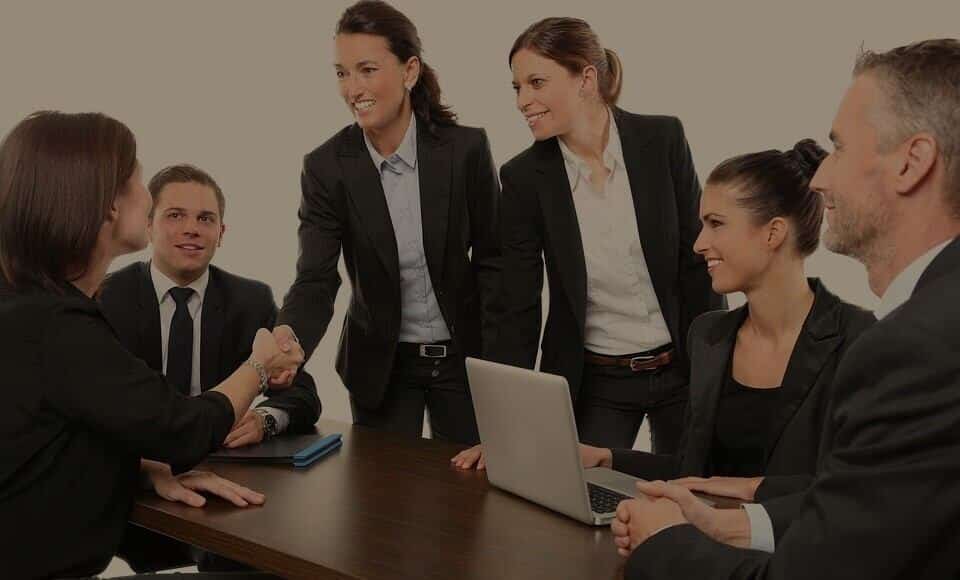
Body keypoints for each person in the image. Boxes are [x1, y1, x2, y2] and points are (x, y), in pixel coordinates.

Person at [612, 38, 960, 580]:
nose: (820, 178)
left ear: (912, 162)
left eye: (840, 148)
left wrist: (665, 541)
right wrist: (730, 523)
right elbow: (877, 501)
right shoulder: (711, 335)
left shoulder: (905, 347)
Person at [0, 111, 303, 579]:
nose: (149, 198)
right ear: (107, 205)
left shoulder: (29, 306)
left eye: (205, 218)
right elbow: (182, 428)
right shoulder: (59, 325)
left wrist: (143, 468)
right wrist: (259, 366)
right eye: (139, 180)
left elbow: (54, 441)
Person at [452, 17, 723, 471]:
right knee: (576, 507)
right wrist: (502, 425)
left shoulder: (662, 139)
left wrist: (718, 370)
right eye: (517, 87)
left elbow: (698, 263)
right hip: (597, 380)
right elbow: (515, 306)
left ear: (586, 78)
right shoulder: (522, 179)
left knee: (692, 499)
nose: (523, 101)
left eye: (537, 82)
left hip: (682, 368)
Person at [578, 140, 874, 537]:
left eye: (716, 223)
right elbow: (694, 475)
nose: (699, 243)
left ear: (773, 234)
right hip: (707, 553)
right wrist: (606, 459)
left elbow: (864, 490)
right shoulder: (708, 335)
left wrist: (752, 487)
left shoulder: (860, 340)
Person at [273, 0, 500, 445]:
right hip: (380, 364)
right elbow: (316, 278)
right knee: (382, 503)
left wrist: (501, 362)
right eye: (342, 73)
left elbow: (496, 262)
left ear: (409, 71)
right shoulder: (326, 167)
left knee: (475, 499)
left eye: (367, 69)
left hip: (466, 361)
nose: (352, 87)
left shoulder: (465, 150)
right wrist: (287, 337)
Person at [98, 164, 321, 573]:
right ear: (148, 226)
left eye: (206, 219)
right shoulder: (105, 297)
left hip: (225, 482)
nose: (192, 229)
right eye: (175, 215)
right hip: (139, 483)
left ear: (222, 233)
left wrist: (264, 419)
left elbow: (303, 393)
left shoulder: (249, 299)